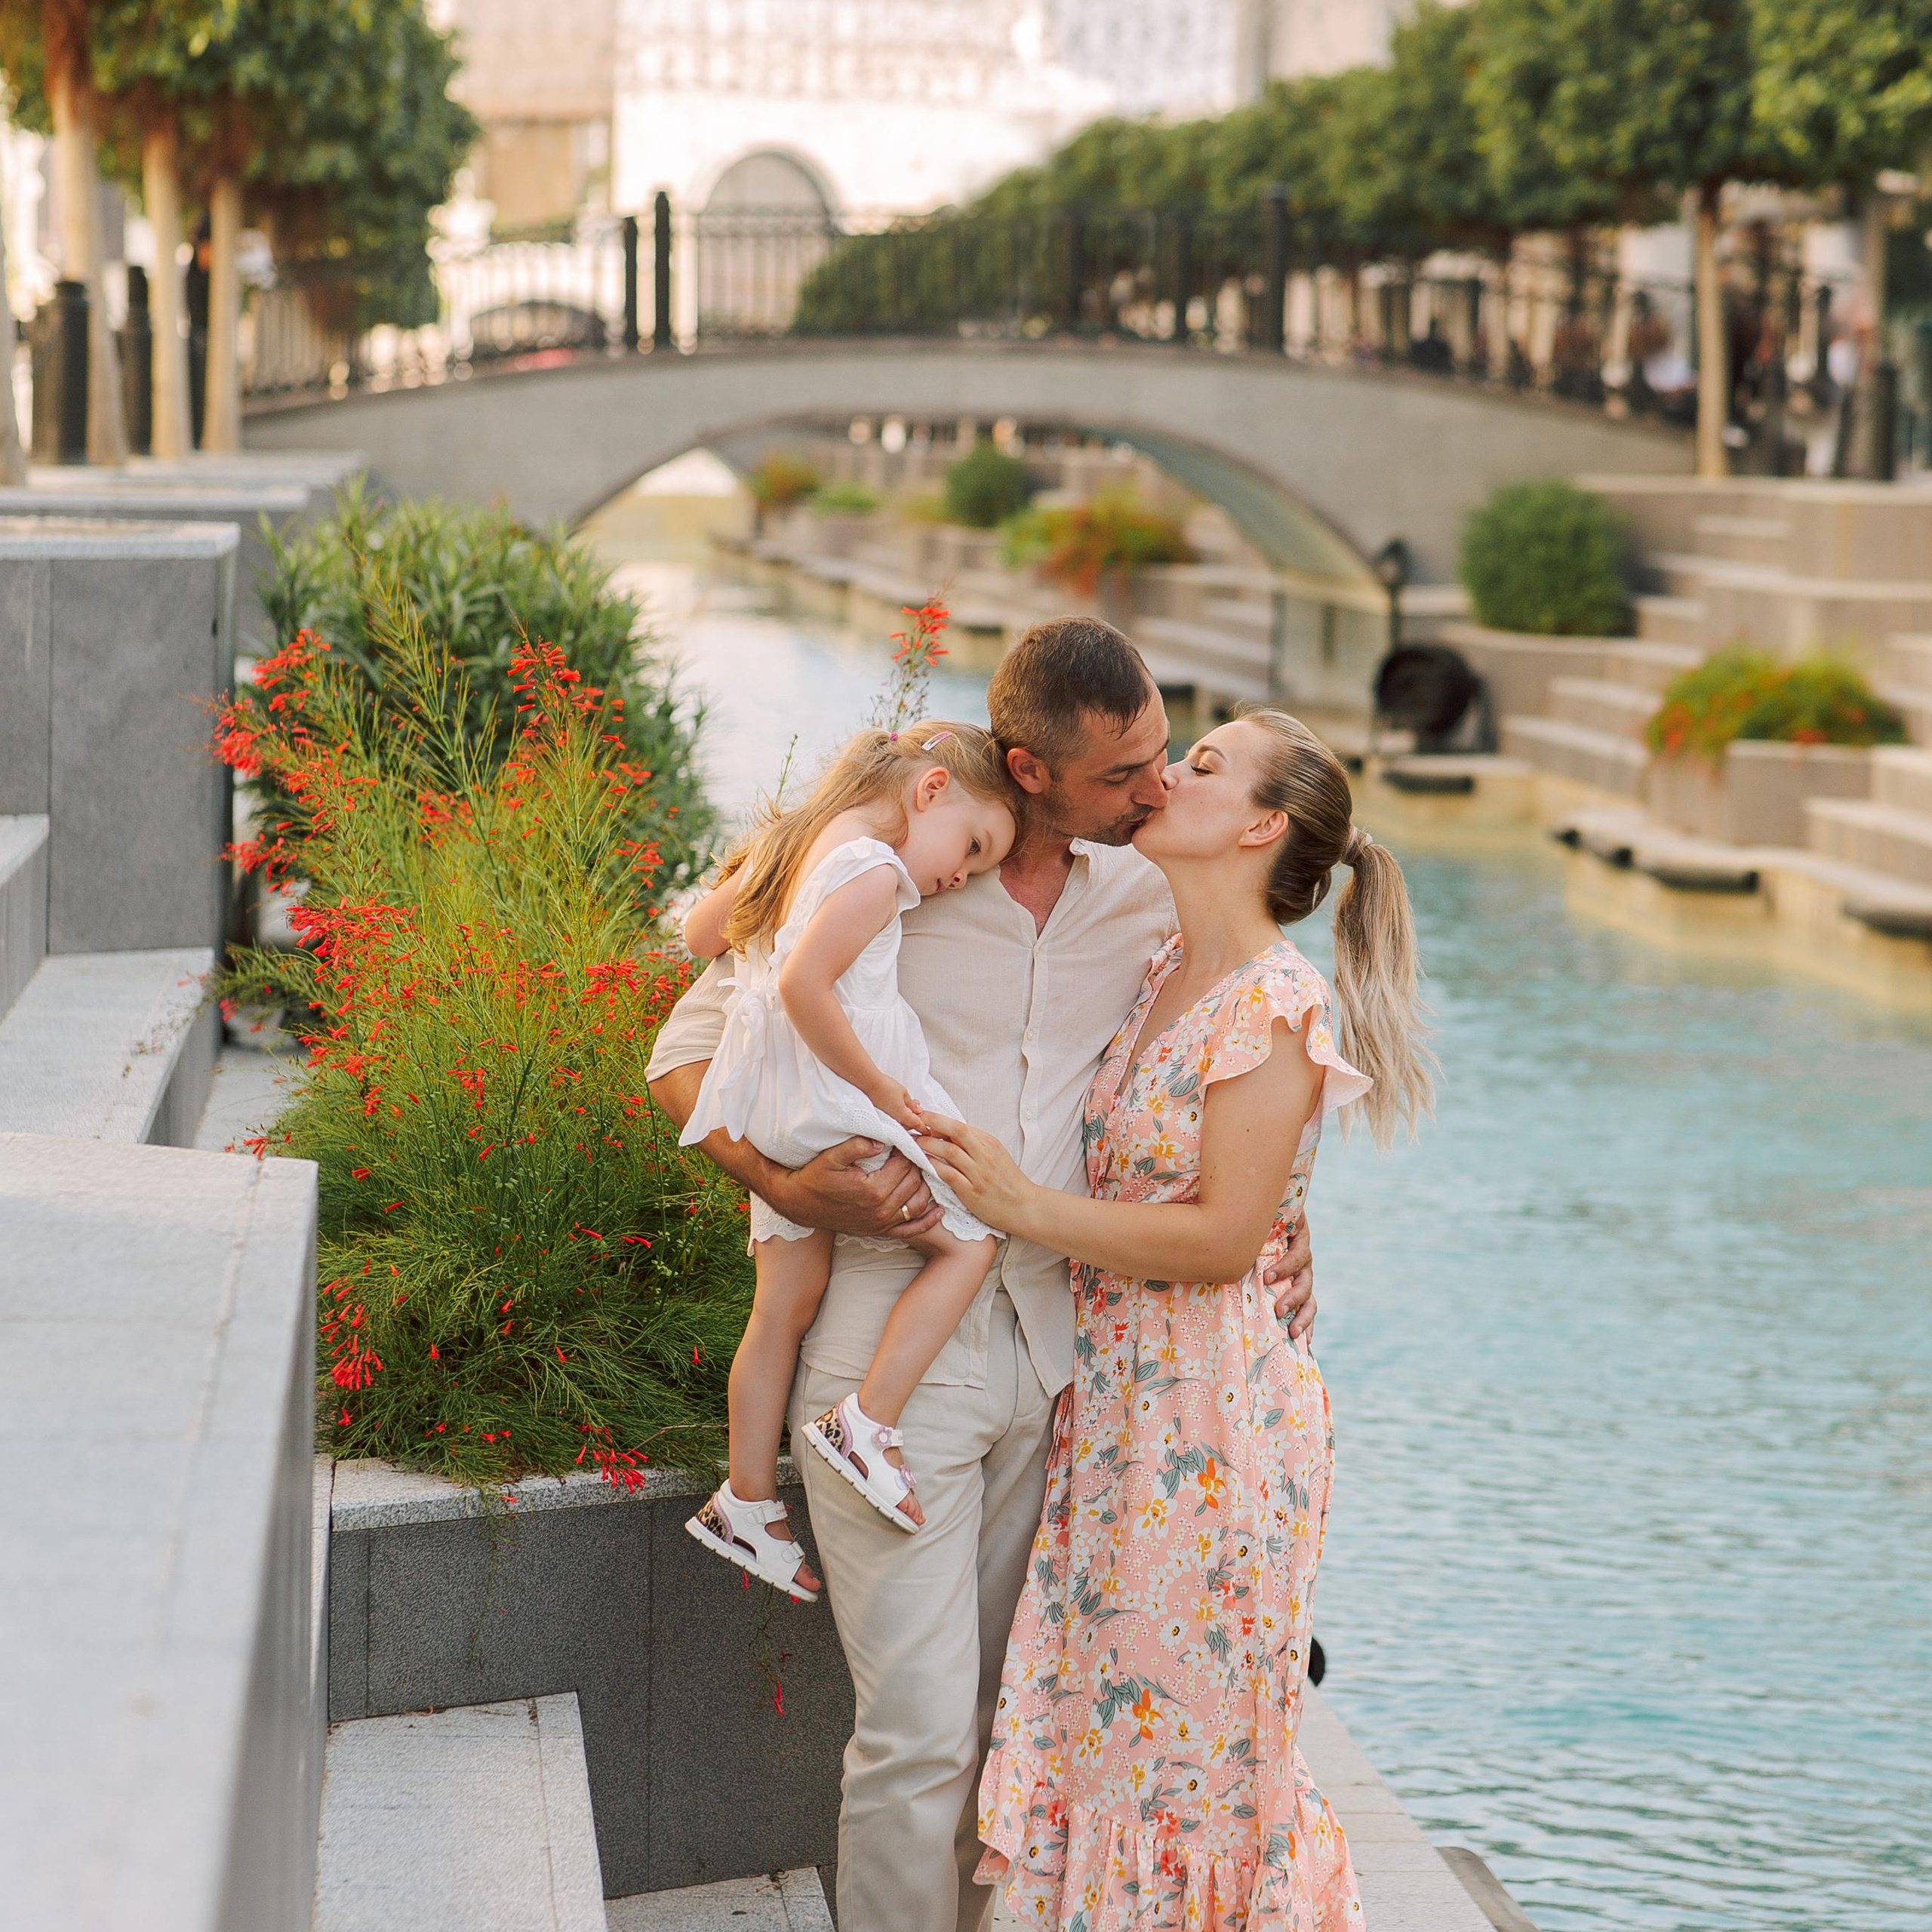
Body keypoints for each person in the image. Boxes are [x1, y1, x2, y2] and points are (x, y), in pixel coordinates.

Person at [645, 619, 1316, 1932]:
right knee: (917, 1739)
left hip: (1066, 1361)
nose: (1154, 789)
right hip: (884, 1357)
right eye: (1126, 772)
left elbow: (1234, 1066)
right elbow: (683, 1047)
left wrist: (1291, 1218)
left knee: (1019, 1732)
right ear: (1030, 765)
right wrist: (784, 1187)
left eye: (1167, 759)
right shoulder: (906, 857)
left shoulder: (1147, 898)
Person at [922, 708, 1433, 1930]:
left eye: (1201, 765)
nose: (1168, 775)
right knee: (1111, 1750)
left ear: (1261, 825)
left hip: (1213, 1437)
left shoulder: (1273, 1003)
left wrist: (1022, 1207)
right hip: (1115, 1419)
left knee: (1195, 1779)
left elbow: (1221, 1241)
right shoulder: (1160, 965)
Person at [679, 722, 1018, 1600]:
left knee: (783, 1303)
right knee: (973, 1241)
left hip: (771, 1102)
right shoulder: (875, 870)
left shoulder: (793, 846)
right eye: (972, 847)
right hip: (837, 1098)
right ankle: (868, 1419)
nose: (959, 875)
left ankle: (747, 1500)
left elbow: (699, 933)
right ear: (931, 789)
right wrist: (883, 1089)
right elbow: (804, 986)